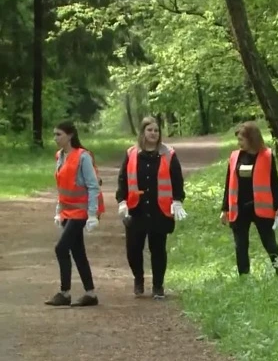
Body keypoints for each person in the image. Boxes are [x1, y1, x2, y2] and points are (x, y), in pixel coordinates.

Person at [116, 117, 187, 300]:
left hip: (159, 209)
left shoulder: (168, 154)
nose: (153, 133)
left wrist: (177, 200)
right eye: (150, 130)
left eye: (156, 130)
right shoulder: (132, 153)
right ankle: (138, 278)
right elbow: (123, 178)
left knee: (158, 248)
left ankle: (158, 285)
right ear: (142, 132)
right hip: (136, 208)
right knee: (133, 249)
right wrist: (122, 201)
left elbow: (177, 179)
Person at [45, 121, 105, 307]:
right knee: (78, 251)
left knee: (61, 248)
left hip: (80, 211)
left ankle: (65, 292)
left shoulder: (82, 157)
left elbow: (93, 186)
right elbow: (62, 187)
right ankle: (91, 294)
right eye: (54, 134)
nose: (55, 138)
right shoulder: (60, 156)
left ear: (70, 136)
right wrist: (58, 211)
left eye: (59, 134)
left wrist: (93, 214)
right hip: (67, 211)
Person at [220, 121, 278, 276]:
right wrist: (225, 209)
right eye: (238, 140)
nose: (239, 143)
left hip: (261, 208)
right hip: (239, 207)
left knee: (270, 243)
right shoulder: (234, 157)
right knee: (240, 245)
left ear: (252, 139)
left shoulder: (266, 156)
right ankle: (244, 277)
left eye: (241, 140)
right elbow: (228, 183)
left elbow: (274, 183)